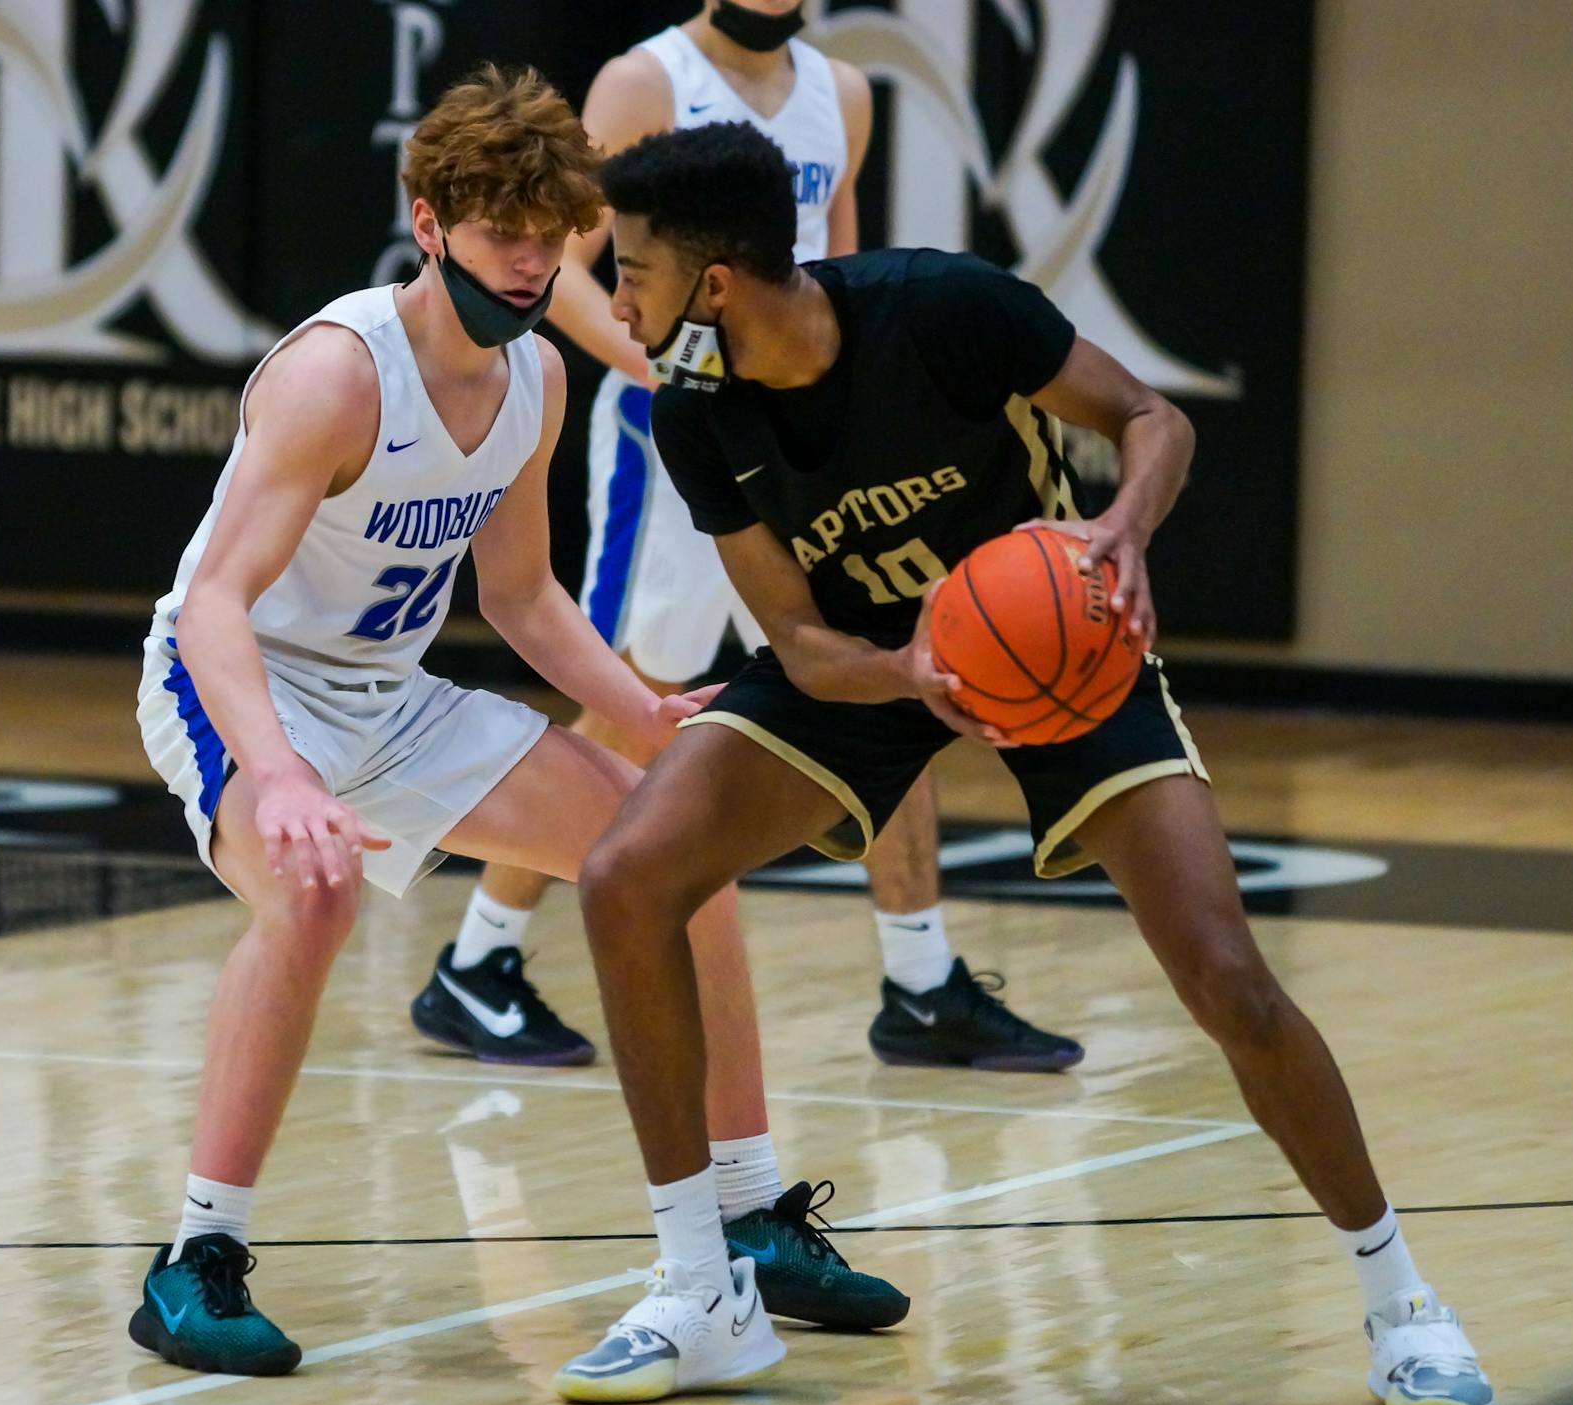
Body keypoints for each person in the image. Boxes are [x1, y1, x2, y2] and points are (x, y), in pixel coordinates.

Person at [553, 122, 1499, 1405]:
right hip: (881, 671)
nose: (615, 299)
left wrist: (1121, 529)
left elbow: (1149, 418)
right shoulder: (700, 410)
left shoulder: (944, 309)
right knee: (625, 877)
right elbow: (807, 648)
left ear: (716, 280)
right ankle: (701, 1290)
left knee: (1227, 975)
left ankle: (1407, 1307)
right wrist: (918, 673)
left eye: (634, 268)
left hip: (1065, 643)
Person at [128, 70, 903, 1379]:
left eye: (554, 239)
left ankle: (751, 1212)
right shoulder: (337, 374)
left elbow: (524, 597)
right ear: (429, 225)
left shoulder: (535, 376)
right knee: (312, 897)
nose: (536, 264)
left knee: (678, 856)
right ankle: (195, 1259)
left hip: (386, 694)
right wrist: (283, 776)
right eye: (507, 238)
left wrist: (642, 704)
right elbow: (212, 607)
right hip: (237, 685)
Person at [409, 0, 1081, 1075]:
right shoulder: (644, 80)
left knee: (882, 673)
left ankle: (919, 979)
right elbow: (570, 266)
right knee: (636, 695)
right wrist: (660, 367)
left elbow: (840, 276)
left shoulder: (843, 93)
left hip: (801, 440)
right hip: (670, 433)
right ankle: (477, 960)